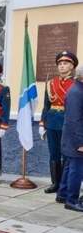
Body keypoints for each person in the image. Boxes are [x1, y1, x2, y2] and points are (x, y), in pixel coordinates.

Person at [40, 51, 77, 194]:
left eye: (65, 63)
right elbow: (46, 105)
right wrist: (42, 123)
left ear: (72, 66)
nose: (62, 66)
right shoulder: (51, 83)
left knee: (67, 155)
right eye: (60, 64)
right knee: (53, 153)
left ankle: (65, 184)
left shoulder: (76, 84)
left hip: (68, 123)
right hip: (52, 122)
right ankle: (55, 183)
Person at [56, 64, 83, 211]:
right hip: (76, 138)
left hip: (72, 136)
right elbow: (75, 119)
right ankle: (71, 200)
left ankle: (62, 194)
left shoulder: (77, 89)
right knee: (76, 169)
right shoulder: (77, 92)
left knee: (69, 166)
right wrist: (80, 142)